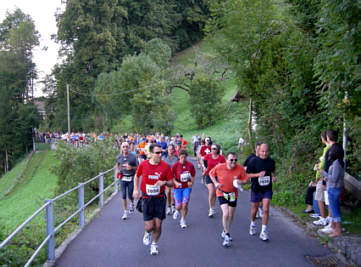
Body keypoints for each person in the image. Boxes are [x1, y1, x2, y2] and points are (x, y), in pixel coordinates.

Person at [133, 143, 173, 255]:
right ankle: (147, 232)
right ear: (150, 154)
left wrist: (164, 182)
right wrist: (135, 189)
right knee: (150, 226)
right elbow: (137, 176)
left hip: (159, 199)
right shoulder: (144, 165)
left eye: (161, 152)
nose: (160, 155)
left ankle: (154, 244)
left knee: (158, 225)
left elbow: (171, 182)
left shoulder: (165, 166)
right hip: (146, 198)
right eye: (157, 153)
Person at [209, 152, 248, 247]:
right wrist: (215, 183)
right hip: (222, 192)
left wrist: (240, 182)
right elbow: (211, 174)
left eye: (235, 160)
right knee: (225, 213)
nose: (233, 162)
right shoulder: (220, 167)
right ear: (226, 160)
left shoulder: (240, 168)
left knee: (231, 215)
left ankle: (225, 230)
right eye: (231, 160)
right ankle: (227, 234)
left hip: (233, 194)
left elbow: (246, 180)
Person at [247, 143, 276, 241]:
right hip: (256, 189)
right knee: (254, 208)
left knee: (266, 209)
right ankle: (253, 223)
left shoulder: (271, 161)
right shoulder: (253, 161)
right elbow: (247, 175)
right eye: (262, 151)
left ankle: (263, 231)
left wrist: (273, 176)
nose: (264, 153)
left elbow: (271, 171)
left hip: (267, 188)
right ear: (259, 151)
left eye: (266, 151)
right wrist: (258, 175)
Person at [319, 143, 344, 237]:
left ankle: (338, 230)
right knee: (333, 209)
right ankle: (334, 227)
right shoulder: (338, 162)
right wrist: (327, 177)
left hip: (334, 189)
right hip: (333, 187)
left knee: (335, 210)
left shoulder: (337, 163)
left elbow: (334, 178)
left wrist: (324, 173)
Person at [313, 131, 333, 227]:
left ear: (324, 138)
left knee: (320, 198)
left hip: (323, 177)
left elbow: (324, 163)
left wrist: (318, 173)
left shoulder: (327, 149)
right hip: (327, 176)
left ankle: (323, 218)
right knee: (327, 198)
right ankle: (329, 217)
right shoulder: (331, 148)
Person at [171, 150, 195, 228]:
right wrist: (176, 182)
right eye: (181, 157)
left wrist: (191, 182)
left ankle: (183, 219)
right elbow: (171, 177)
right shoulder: (175, 165)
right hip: (177, 187)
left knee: (185, 204)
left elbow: (193, 175)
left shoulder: (190, 165)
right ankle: (177, 210)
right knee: (179, 206)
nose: (183, 159)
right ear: (179, 157)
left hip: (187, 187)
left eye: (185, 157)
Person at [115, 142, 139, 220]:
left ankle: (132, 203)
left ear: (128, 148)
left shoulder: (133, 157)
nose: (125, 148)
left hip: (131, 177)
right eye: (123, 147)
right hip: (123, 178)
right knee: (123, 195)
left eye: (126, 147)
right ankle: (125, 212)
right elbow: (117, 165)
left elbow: (138, 167)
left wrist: (131, 168)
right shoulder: (119, 157)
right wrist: (117, 171)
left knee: (130, 194)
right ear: (121, 148)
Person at [201, 144, 226, 217]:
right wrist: (204, 167)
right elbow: (203, 160)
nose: (212, 150)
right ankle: (211, 209)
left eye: (214, 149)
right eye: (212, 148)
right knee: (211, 192)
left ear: (218, 149)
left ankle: (212, 207)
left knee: (215, 193)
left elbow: (225, 166)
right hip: (209, 175)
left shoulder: (221, 158)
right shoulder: (208, 156)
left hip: (218, 176)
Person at [244, 142, 263, 218]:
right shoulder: (251, 157)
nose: (259, 151)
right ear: (255, 149)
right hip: (254, 179)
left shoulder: (264, 157)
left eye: (260, 149)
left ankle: (260, 208)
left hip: (263, 180)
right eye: (258, 149)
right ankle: (258, 210)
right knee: (257, 196)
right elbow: (244, 167)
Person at [163, 144, 178, 215]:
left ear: (174, 150)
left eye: (172, 149)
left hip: (174, 177)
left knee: (173, 193)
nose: (170, 151)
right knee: (168, 192)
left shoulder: (176, 158)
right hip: (167, 177)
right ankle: (168, 207)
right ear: (167, 150)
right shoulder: (164, 158)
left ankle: (173, 206)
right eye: (169, 149)